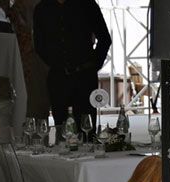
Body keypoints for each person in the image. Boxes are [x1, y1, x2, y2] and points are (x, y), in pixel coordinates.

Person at [33, 0, 111, 133]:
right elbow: (39, 44)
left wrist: (94, 65)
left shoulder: (87, 5)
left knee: (86, 128)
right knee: (62, 129)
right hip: (58, 77)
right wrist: (55, 63)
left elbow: (104, 38)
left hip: (84, 75)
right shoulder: (42, 8)